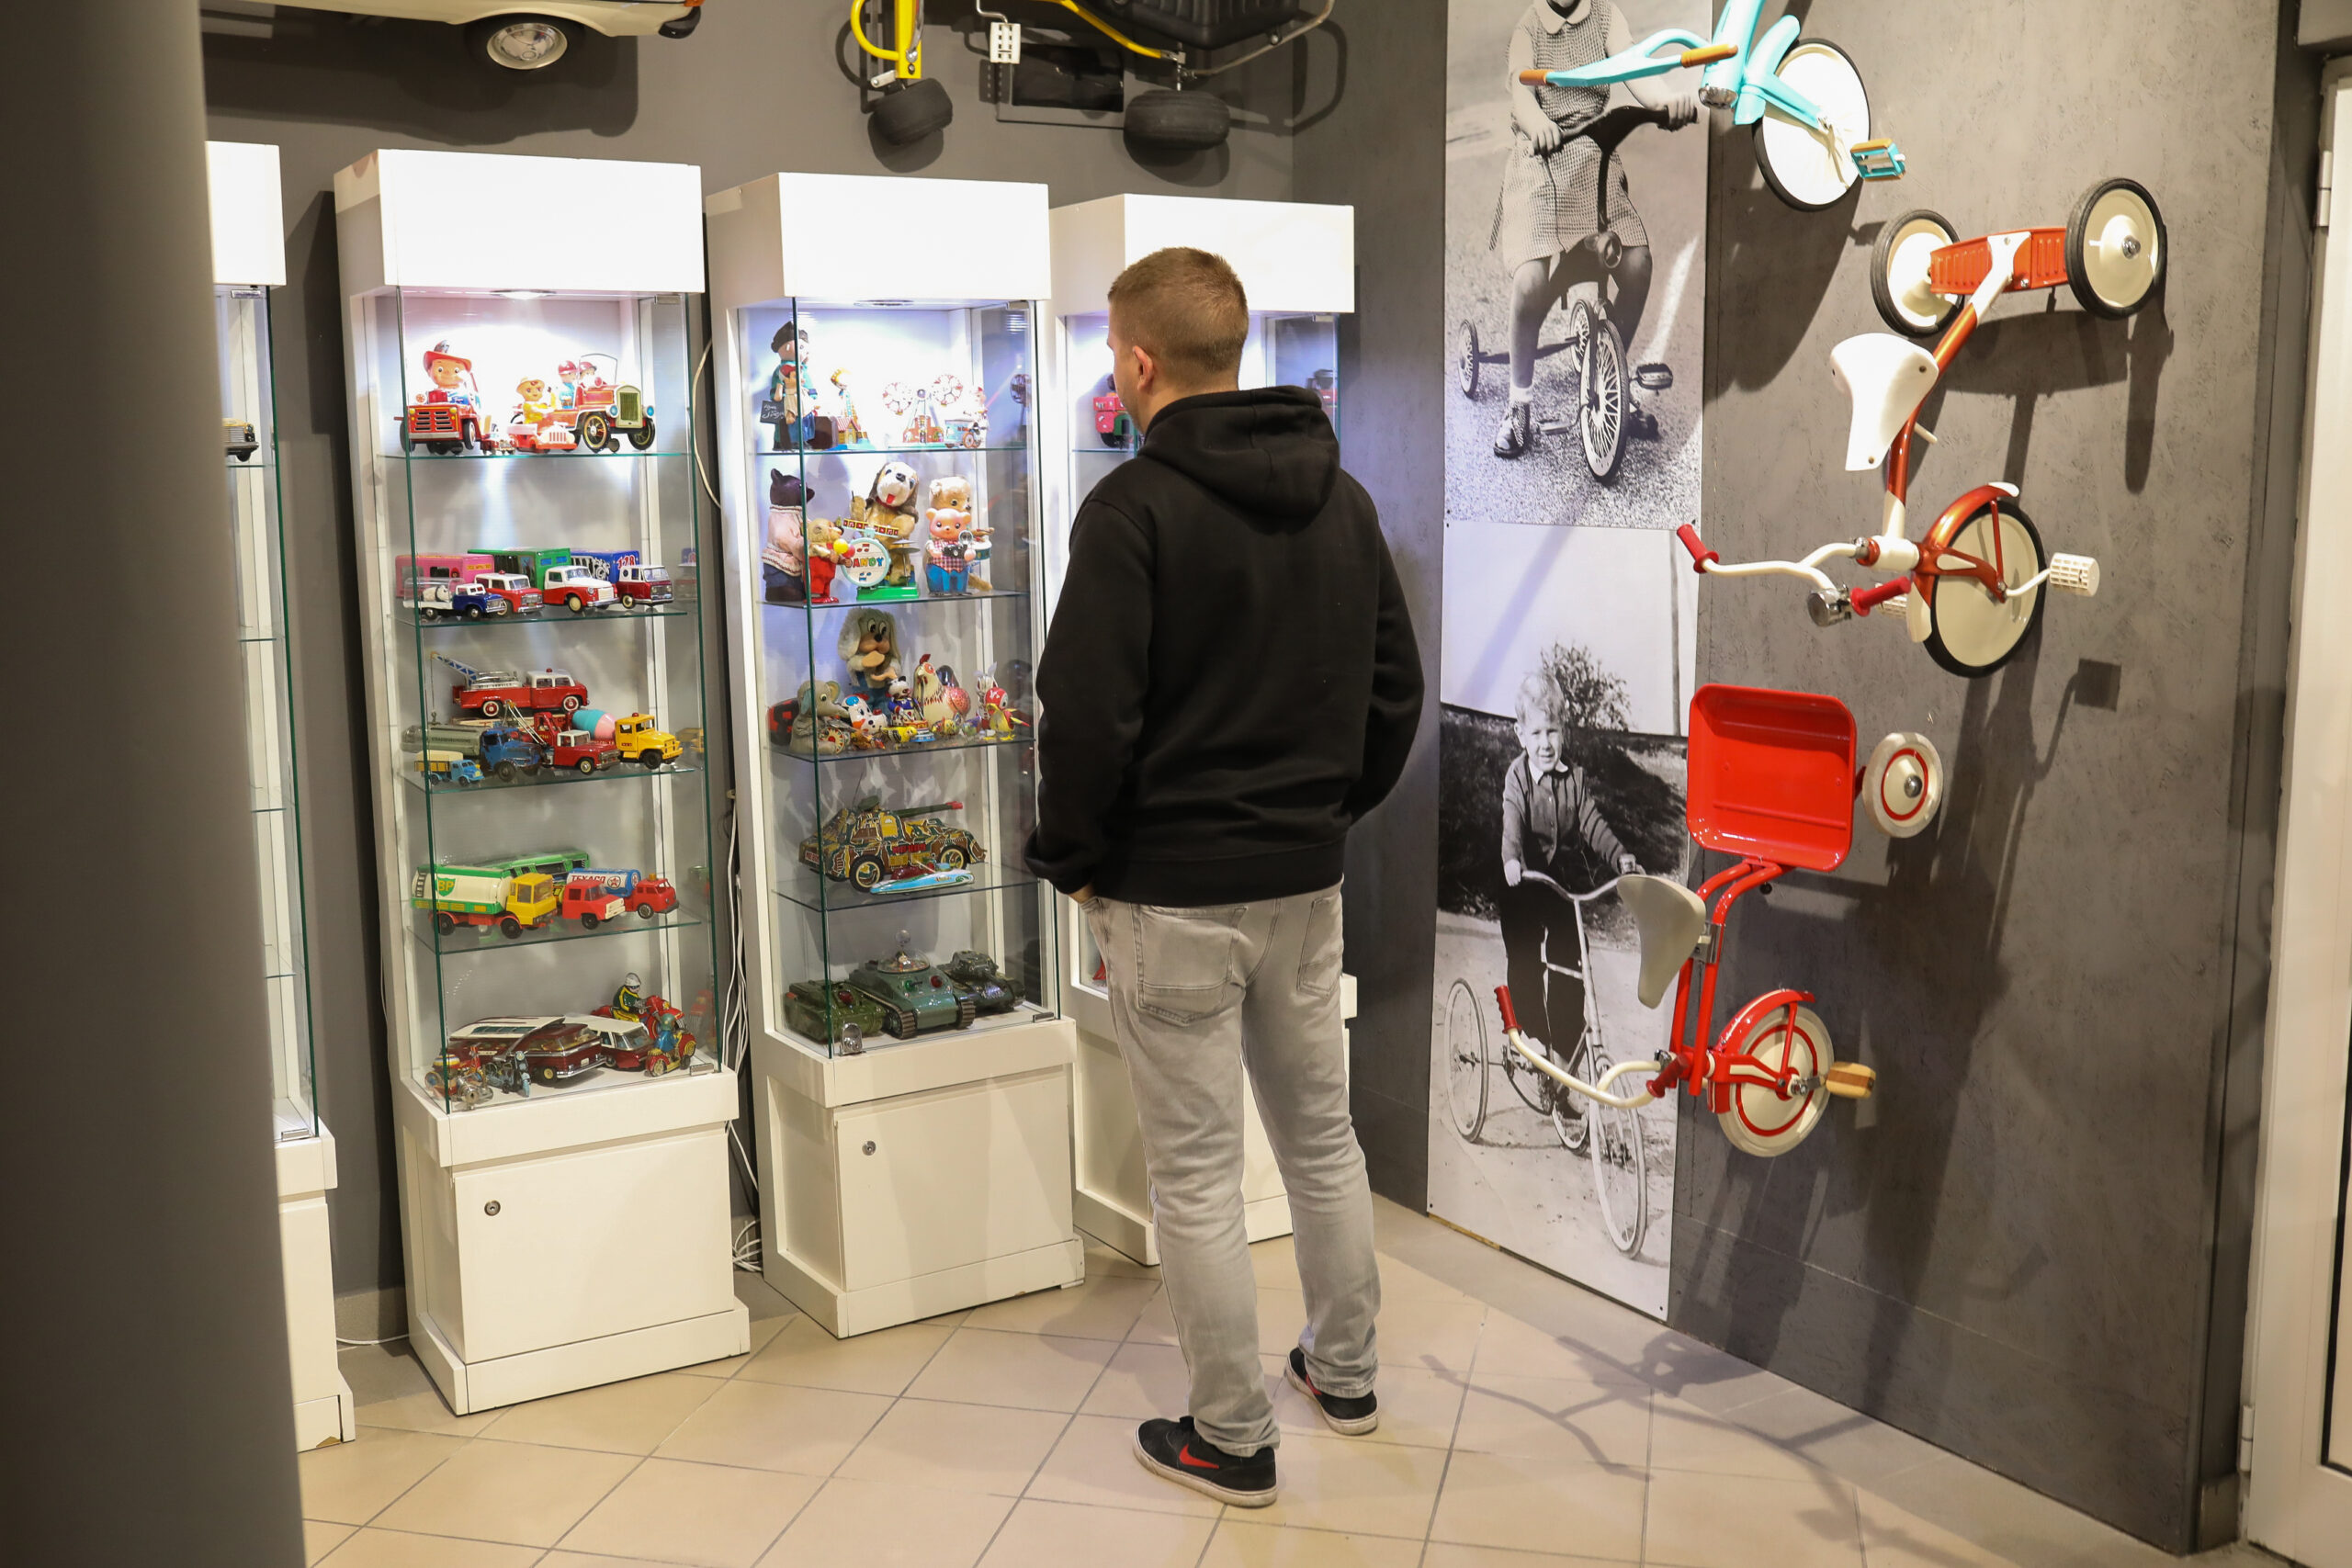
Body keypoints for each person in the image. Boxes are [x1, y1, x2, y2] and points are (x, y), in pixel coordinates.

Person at [1025, 247, 1424, 1507]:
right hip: (1304, 880)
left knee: (1196, 1174)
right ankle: (1346, 1377)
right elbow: (1395, 693)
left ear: (1140, 362)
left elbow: (1085, 715)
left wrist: (1072, 860)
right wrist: (1321, 816)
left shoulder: (1131, 510)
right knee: (1320, 1138)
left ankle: (1232, 1435)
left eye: (1111, 352)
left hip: (1171, 891)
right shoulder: (1342, 498)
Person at [1490, 0, 1696, 458]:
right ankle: (1519, 403)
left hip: (1590, 157)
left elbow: (1635, 66)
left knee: (1637, 263)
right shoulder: (1529, 29)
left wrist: (1666, 101)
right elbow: (1522, 90)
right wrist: (1538, 123)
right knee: (1531, 281)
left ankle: (1609, 376)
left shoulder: (1605, 17)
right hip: (1539, 159)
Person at [1498, 673, 1636, 1072]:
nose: (1545, 743)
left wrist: (1620, 857)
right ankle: (1528, 1036)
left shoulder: (1574, 779)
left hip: (1555, 882)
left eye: (1552, 731)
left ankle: (1565, 1044)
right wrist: (1511, 859)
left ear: (1563, 731)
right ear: (1520, 735)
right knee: (1524, 952)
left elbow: (1593, 825)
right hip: (1521, 878)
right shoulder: (1518, 777)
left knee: (1571, 951)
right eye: (1536, 733)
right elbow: (1512, 821)